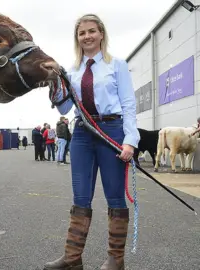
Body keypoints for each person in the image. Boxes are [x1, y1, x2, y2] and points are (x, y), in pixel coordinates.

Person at [43, 14, 140, 270]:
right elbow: (64, 106)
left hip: (111, 131)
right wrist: (54, 81)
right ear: (77, 38)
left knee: (115, 198)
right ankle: (73, 258)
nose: (87, 36)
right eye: (81, 33)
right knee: (81, 197)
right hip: (83, 134)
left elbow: (129, 105)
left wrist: (130, 141)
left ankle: (115, 260)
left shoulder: (117, 65)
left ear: (101, 34)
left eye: (91, 31)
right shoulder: (72, 70)